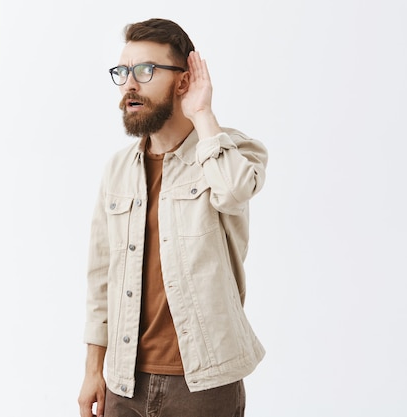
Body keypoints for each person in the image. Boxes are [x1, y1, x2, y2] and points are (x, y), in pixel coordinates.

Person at [78, 18, 268, 417]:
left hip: (203, 385)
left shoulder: (229, 151)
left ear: (183, 81)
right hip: (123, 381)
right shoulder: (117, 170)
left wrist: (201, 113)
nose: (130, 84)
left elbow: (235, 190)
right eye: (123, 72)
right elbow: (101, 277)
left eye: (145, 71)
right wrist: (93, 369)